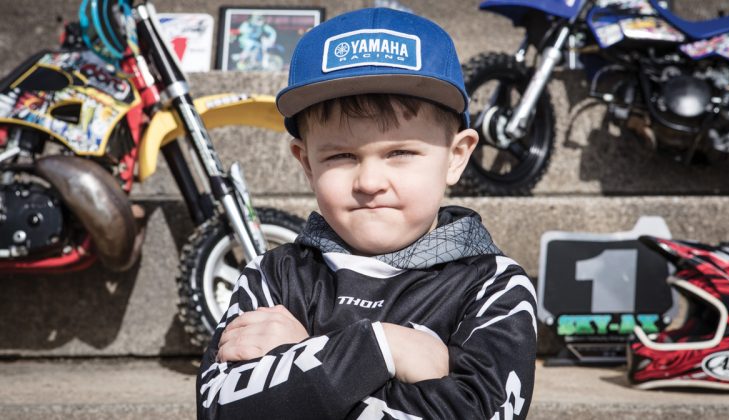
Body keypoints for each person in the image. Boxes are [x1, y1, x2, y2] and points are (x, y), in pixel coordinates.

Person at [197, 7, 537, 420]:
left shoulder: (494, 288)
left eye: (400, 152)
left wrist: (302, 359)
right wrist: (383, 348)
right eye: (341, 155)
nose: (369, 181)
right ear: (307, 163)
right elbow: (219, 408)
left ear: (457, 156)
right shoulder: (272, 277)